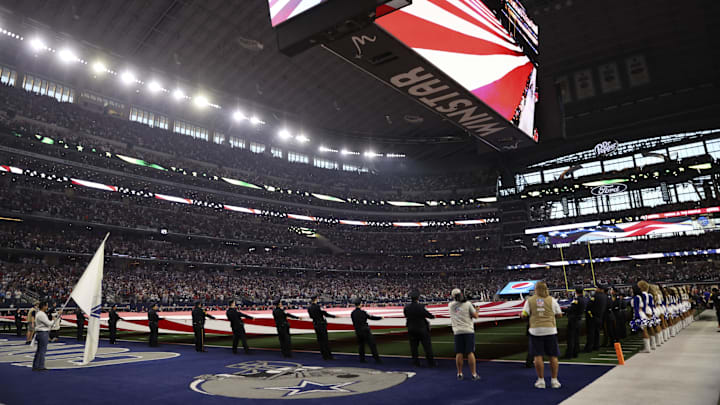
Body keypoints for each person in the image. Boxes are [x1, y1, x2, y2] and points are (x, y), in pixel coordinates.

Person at [521, 281, 563, 389]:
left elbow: (524, 314)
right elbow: (559, 314)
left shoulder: (529, 301)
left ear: (536, 289)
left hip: (536, 330)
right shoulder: (552, 300)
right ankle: (554, 380)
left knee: (538, 356)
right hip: (550, 329)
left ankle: (541, 380)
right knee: (553, 356)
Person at [449, 288, 480, 381]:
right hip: (468, 330)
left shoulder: (450, 305)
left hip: (457, 331)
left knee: (459, 353)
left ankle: (459, 373)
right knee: (470, 352)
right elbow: (475, 316)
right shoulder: (468, 304)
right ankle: (474, 374)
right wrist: (477, 310)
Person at [403, 290, 435, 367]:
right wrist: (432, 316)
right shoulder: (420, 307)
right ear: (418, 298)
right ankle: (431, 363)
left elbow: (406, 315)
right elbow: (428, 315)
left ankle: (415, 362)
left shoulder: (406, 307)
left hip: (411, 328)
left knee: (414, 347)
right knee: (427, 347)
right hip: (422, 329)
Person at [351, 297, 383, 364]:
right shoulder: (363, 312)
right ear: (360, 304)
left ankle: (362, 359)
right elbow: (371, 317)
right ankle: (377, 359)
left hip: (358, 331)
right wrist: (380, 318)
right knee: (372, 345)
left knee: (361, 345)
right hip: (365, 330)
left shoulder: (353, 313)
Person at [307, 296, 336, 360]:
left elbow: (311, 316)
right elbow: (324, 313)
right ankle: (329, 356)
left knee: (320, 341)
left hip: (316, 324)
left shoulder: (309, 308)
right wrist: (334, 316)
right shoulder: (318, 307)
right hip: (321, 324)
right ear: (316, 300)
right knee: (325, 340)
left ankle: (324, 356)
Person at [563, 287, 585, 359]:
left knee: (571, 338)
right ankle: (575, 352)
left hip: (573, 320)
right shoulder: (583, 299)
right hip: (578, 320)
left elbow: (572, 309)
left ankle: (569, 354)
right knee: (576, 337)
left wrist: (564, 310)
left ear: (576, 292)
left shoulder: (577, 300)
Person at [583, 287, 606, 352]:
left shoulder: (595, 296)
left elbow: (589, 305)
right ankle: (596, 346)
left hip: (593, 317)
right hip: (600, 317)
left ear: (599, 289)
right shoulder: (604, 296)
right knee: (597, 332)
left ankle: (589, 348)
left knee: (591, 333)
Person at [32, 301, 52, 371]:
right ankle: (40, 366)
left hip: (41, 333)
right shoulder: (41, 314)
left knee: (39, 350)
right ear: (43, 306)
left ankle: (36, 365)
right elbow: (49, 323)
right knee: (42, 350)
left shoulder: (40, 313)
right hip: (43, 333)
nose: (47, 307)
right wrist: (54, 320)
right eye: (46, 306)